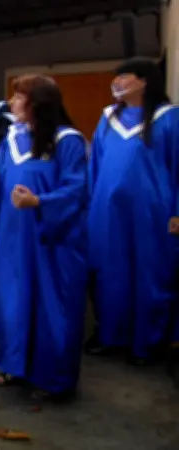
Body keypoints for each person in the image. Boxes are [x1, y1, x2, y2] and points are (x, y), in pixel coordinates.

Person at [0, 75, 89, 400]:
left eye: (19, 98)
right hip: (13, 236)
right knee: (14, 301)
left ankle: (53, 379)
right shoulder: (13, 136)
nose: (12, 103)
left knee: (50, 306)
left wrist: (40, 201)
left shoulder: (67, 140)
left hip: (50, 239)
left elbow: (77, 187)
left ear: (38, 103)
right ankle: (15, 366)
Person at [85, 58, 179, 366]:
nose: (118, 82)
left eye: (124, 76)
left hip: (151, 213)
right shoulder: (108, 117)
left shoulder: (168, 118)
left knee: (149, 275)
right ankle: (111, 335)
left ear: (144, 81)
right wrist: (89, 205)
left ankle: (147, 343)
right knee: (109, 273)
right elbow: (95, 165)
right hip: (107, 212)